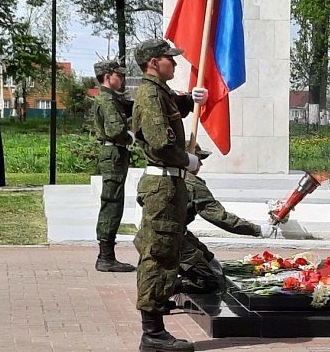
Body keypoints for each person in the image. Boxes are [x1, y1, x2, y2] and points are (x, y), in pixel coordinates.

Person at [131, 38, 208, 352]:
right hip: (163, 184)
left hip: (169, 184)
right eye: (170, 59)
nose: (175, 64)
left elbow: (171, 113)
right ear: (153, 62)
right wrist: (186, 159)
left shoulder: (159, 92)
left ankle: (155, 329)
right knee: (158, 256)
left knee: (166, 253)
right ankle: (153, 334)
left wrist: (191, 100)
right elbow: (161, 142)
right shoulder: (150, 93)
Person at [176, 145, 274, 295]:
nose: (201, 165)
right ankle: (165, 287)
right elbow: (219, 217)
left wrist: (207, 257)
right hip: (171, 240)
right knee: (208, 282)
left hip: (159, 235)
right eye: (198, 159)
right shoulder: (192, 184)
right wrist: (257, 229)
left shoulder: (168, 176)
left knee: (208, 263)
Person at [92, 59, 136, 273]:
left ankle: (107, 254)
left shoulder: (110, 98)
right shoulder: (107, 100)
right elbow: (116, 130)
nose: (122, 78)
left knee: (113, 202)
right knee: (112, 203)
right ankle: (106, 256)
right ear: (108, 76)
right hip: (113, 154)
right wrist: (131, 137)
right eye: (118, 75)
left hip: (114, 154)